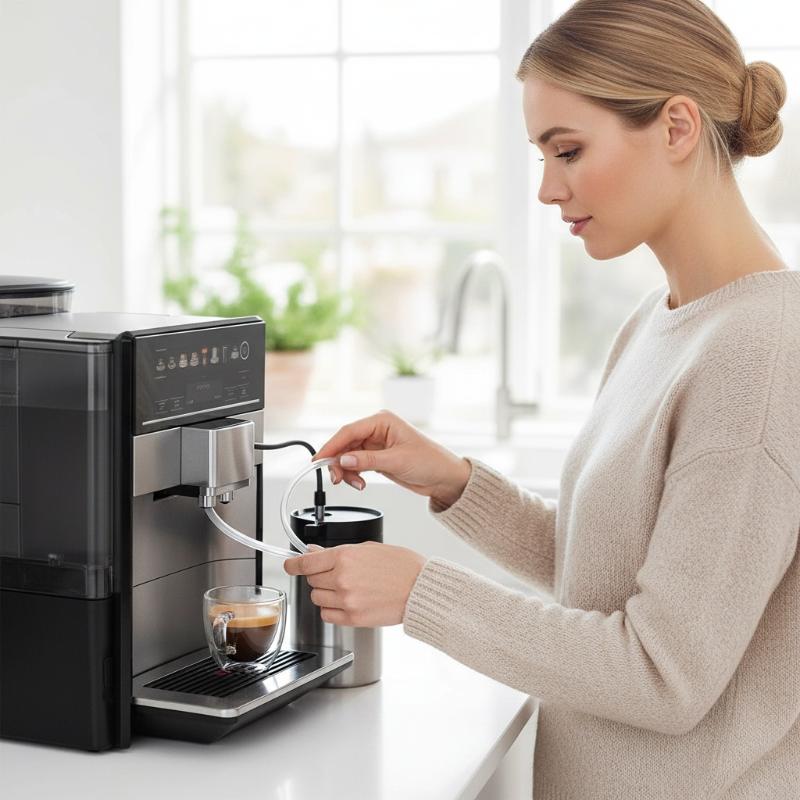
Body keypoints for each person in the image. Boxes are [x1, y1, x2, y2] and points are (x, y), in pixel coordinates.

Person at [284, 1, 799, 797]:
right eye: (541, 156)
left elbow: (663, 675)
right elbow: (604, 575)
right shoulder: (660, 322)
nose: (548, 190)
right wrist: (455, 482)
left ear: (676, 127)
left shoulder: (762, 352)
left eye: (569, 151)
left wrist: (419, 592)